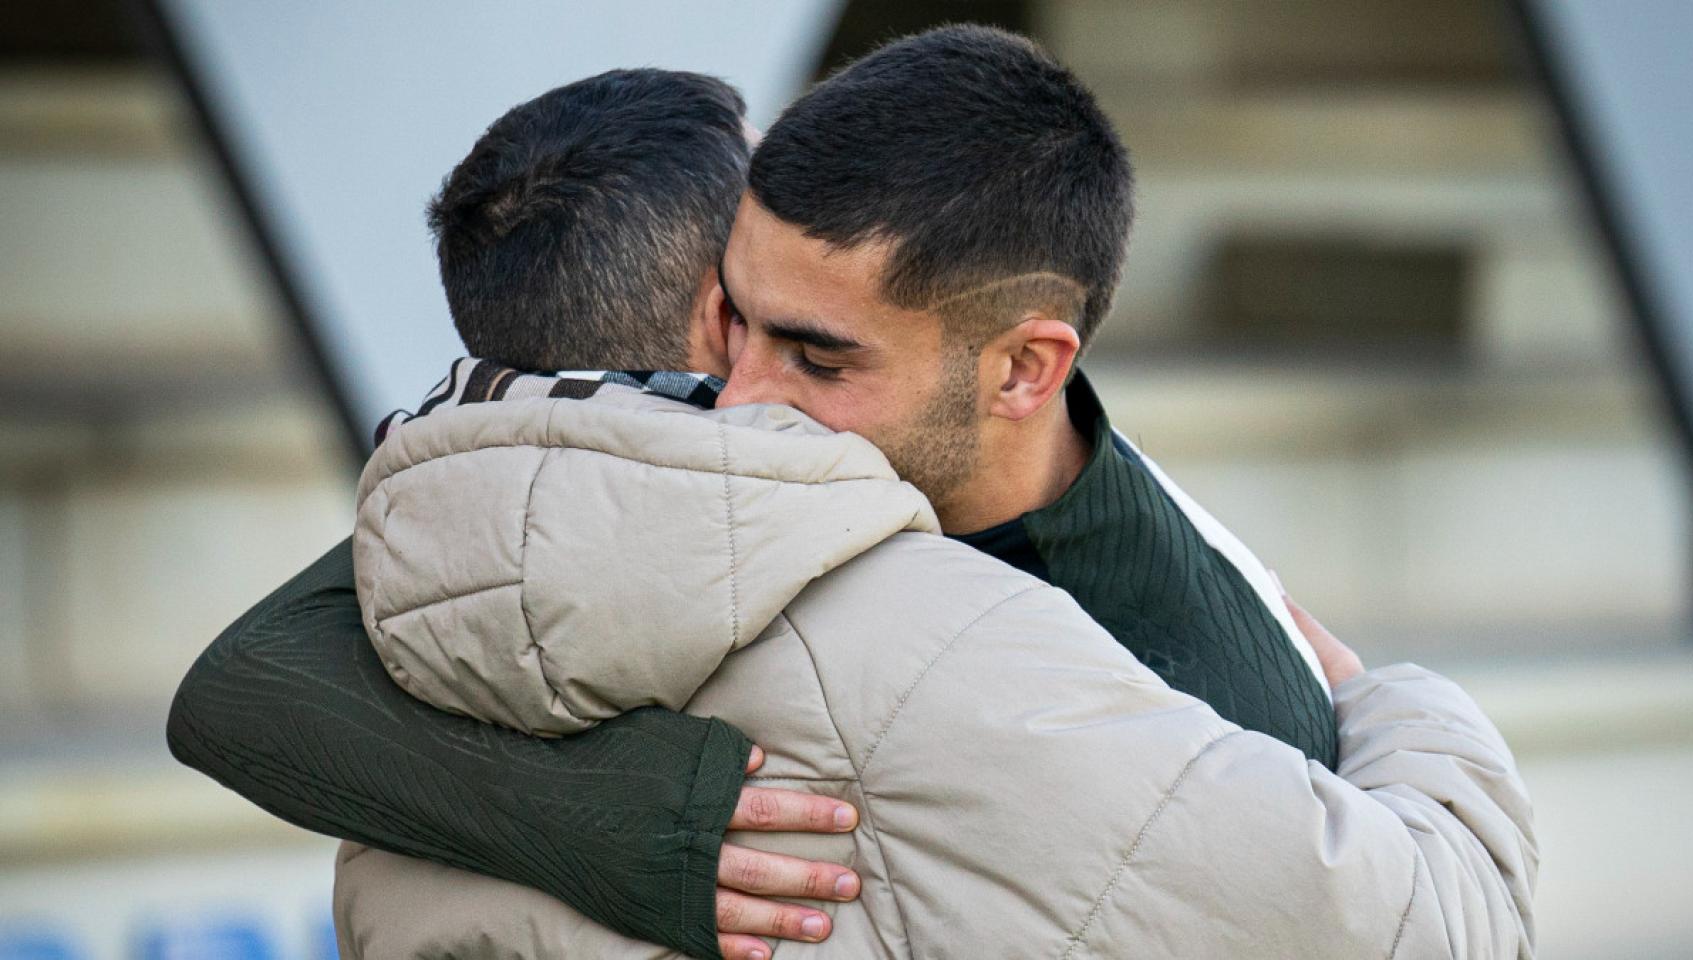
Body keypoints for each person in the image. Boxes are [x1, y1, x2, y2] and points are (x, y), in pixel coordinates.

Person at [169, 30, 1535, 960]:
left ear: (1021, 368)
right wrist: (1404, 702)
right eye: (744, 324)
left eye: (817, 350)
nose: (757, 394)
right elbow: (245, 682)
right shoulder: (860, 606)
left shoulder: (462, 554)